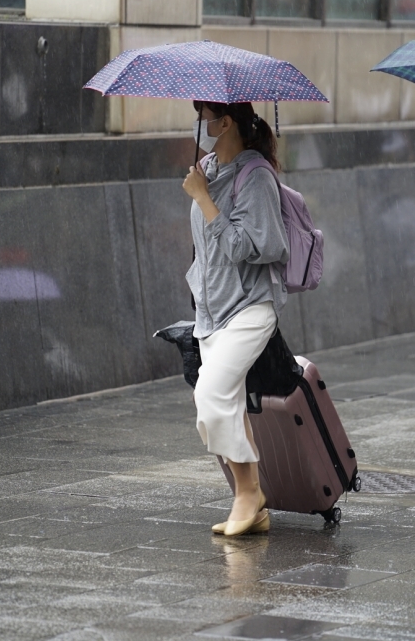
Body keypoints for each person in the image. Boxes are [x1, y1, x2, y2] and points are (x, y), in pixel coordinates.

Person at [181, 100, 289, 536]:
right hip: (212, 311)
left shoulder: (256, 176)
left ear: (224, 123)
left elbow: (250, 246)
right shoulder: (208, 168)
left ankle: (249, 493)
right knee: (227, 404)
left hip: (250, 307)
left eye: (203, 118)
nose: (198, 126)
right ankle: (251, 500)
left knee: (210, 396)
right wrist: (204, 187)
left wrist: (204, 199)